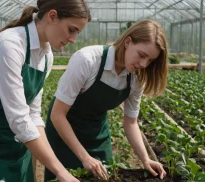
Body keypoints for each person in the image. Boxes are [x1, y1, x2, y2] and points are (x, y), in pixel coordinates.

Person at [0, 0, 91, 182]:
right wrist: (60, 171)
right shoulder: (10, 44)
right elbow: (18, 117)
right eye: (72, 29)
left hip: (20, 147)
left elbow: (33, 114)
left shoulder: (46, 56)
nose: (73, 39)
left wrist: (58, 168)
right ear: (52, 16)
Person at [45, 20, 168, 181]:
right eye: (142, 55)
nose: (144, 64)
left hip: (97, 134)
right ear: (128, 42)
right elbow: (58, 114)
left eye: (150, 60)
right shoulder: (87, 60)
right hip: (64, 133)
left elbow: (131, 122)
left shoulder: (135, 79)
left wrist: (145, 159)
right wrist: (85, 157)